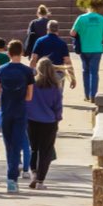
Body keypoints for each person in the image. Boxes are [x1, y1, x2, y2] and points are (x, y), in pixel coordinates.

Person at [0, 39, 35, 193]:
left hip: (6, 111)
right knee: (17, 145)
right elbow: (29, 96)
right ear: (22, 53)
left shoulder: (1, 70)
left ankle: (11, 177)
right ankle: (12, 179)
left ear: (8, 52)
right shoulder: (27, 71)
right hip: (20, 111)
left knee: (8, 145)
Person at [26, 58, 64, 190]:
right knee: (45, 151)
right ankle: (40, 181)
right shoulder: (55, 87)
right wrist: (58, 117)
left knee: (34, 149)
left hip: (31, 120)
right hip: (49, 121)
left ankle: (34, 174)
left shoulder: (32, 84)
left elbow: (27, 100)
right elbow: (58, 106)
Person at [71, 5, 103, 103]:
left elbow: (72, 33)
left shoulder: (81, 18)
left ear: (87, 7)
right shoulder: (101, 18)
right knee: (94, 73)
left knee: (85, 71)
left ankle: (87, 95)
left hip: (84, 49)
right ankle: (93, 95)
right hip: (96, 49)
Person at [30, 20, 76, 92]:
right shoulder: (62, 43)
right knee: (57, 98)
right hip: (58, 74)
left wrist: (32, 74)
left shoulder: (40, 41)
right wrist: (72, 77)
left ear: (47, 29)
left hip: (42, 74)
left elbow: (33, 59)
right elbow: (67, 62)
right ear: (58, 30)